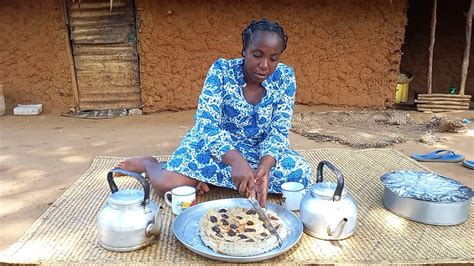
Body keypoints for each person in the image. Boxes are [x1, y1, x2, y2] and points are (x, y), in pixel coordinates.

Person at [116, 19, 312, 207]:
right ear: (244, 50)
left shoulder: (285, 77)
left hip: (257, 150)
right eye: (257, 54)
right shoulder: (221, 71)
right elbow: (206, 124)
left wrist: (265, 167)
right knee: (168, 184)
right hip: (214, 147)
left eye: (273, 58)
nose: (264, 65)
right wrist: (235, 161)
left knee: (299, 176)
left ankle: (203, 178)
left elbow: (279, 130)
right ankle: (150, 164)